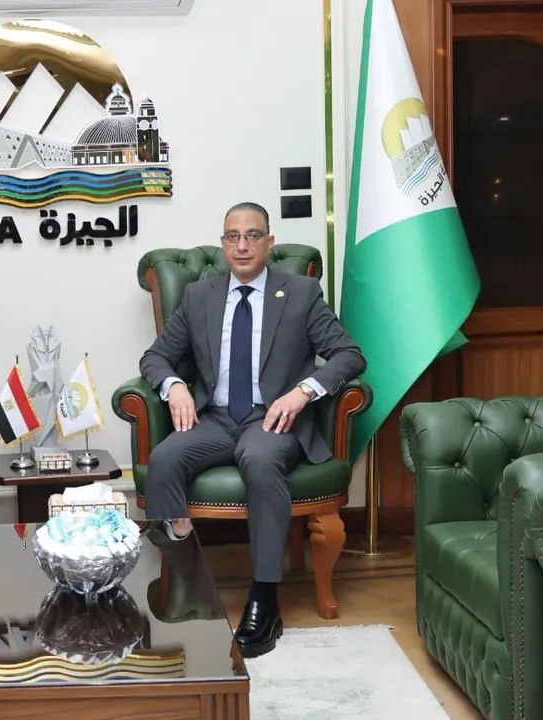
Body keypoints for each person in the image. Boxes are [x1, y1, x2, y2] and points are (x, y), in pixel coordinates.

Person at [139, 201, 365, 658]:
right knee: (163, 458)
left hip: (273, 419)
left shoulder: (301, 292)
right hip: (215, 419)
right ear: (223, 244)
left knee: (260, 459)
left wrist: (303, 391)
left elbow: (349, 355)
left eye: (253, 235)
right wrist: (175, 386)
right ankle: (189, 580)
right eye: (233, 236)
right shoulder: (199, 296)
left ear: (269, 242)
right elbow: (155, 357)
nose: (242, 245)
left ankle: (265, 598)